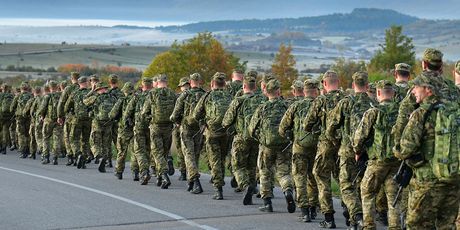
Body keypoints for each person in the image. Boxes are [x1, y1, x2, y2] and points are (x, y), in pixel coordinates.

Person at [396, 73, 460, 229]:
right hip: (453, 181)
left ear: (428, 90)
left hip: (427, 184)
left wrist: (396, 147)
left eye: (417, 87)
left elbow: (404, 150)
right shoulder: (455, 110)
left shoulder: (421, 113)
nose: (413, 91)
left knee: (418, 226)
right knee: (447, 226)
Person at [325, 71, 375, 228]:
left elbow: (331, 126)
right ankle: (356, 221)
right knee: (363, 187)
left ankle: (357, 215)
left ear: (353, 85)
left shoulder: (346, 102)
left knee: (346, 186)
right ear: (367, 86)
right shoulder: (375, 104)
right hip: (368, 153)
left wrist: (335, 141)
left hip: (347, 151)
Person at [353, 80, 401, 229]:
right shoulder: (401, 112)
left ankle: (369, 226)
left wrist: (358, 151)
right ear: (393, 93)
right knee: (394, 199)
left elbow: (358, 137)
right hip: (396, 162)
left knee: (367, 192)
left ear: (378, 93)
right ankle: (395, 227)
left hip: (377, 162)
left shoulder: (373, 112)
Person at [303, 70, 345, 228]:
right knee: (344, 179)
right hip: (344, 145)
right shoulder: (347, 99)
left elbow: (307, 123)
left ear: (324, 84)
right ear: (338, 82)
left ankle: (328, 217)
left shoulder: (320, 100)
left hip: (326, 145)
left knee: (321, 177)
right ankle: (350, 210)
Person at [249, 79, 295, 213]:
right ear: (279, 91)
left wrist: (260, 138)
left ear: (266, 92)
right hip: (284, 145)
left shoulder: (262, 108)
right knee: (283, 172)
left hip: (266, 146)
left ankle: (267, 203)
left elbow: (251, 129)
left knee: (264, 172)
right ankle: (287, 191)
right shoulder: (287, 106)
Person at [279, 79, 320, 222]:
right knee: (313, 178)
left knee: (299, 178)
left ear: (304, 91)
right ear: (316, 91)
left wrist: (290, 134)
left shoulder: (296, 106)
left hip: (299, 147)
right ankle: (314, 208)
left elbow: (282, 127)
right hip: (317, 148)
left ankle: (304, 211)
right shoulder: (322, 105)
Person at [222, 72, 267, 205]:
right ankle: (252, 186)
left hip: (241, 137)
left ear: (244, 86)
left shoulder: (239, 100)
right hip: (257, 138)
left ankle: (245, 185)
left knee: (238, 165)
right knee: (252, 165)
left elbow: (226, 121)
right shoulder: (262, 100)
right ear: (255, 87)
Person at [192, 72, 232, 199]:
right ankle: (220, 179)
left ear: (212, 84)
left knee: (214, 159)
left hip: (212, 133)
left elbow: (196, 114)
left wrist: (203, 121)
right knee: (222, 158)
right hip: (226, 132)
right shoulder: (230, 96)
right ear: (224, 84)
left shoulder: (207, 96)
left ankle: (218, 189)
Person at [170, 73, 207, 194]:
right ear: (200, 81)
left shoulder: (184, 95)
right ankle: (191, 181)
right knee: (195, 154)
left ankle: (195, 180)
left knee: (189, 154)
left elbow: (175, 115)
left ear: (190, 82)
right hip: (199, 129)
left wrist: (177, 122)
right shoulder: (205, 95)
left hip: (186, 128)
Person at [142, 74, 176, 189]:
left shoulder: (152, 93)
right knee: (165, 152)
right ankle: (159, 177)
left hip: (156, 126)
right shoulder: (172, 94)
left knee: (157, 152)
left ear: (157, 82)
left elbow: (144, 112)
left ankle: (164, 175)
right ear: (166, 81)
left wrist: (150, 119)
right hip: (168, 127)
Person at [124, 78, 154, 185]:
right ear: (151, 85)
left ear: (142, 85)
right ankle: (152, 171)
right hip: (152, 127)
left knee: (139, 151)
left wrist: (128, 122)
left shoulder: (137, 97)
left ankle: (144, 171)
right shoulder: (155, 95)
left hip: (139, 127)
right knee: (148, 150)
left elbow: (127, 112)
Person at [83, 82, 117, 173]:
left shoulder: (95, 97)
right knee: (106, 143)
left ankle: (99, 156)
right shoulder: (113, 98)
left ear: (98, 89)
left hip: (97, 122)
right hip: (108, 123)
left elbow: (84, 100)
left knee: (94, 141)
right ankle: (104, 161)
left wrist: (91, 91)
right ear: (105, 89)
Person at [64, 76, 92, 169]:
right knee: (85, 140)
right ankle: (83, 160)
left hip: (77, 119)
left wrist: (67, 113)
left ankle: (78, 154)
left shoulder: (74, 93)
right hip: (88, 119)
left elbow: (67, 106)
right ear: (86, 82)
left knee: (73, 139)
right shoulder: (91, 93)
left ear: (79, 83)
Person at [111, 82, 136, 180]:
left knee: (121, 151)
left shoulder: (122, 100)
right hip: (135, 128)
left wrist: (116, 118)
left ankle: (119, 171)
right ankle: (135, 171)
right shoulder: (137, 99)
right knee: (135, 150)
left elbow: (112, 114)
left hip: (124, 129)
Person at [57, 72, 80, 166]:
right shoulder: (83, 88)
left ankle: (71, 157)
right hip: (83, 116)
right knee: (79, 137)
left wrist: (59, 116)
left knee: (67, 137)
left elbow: (61, 103)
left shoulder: (68, 88)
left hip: (70, 116)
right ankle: (79, 154)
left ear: (71, 78)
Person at [38, 81, 63, 165]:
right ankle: (55, 158)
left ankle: (46, 157)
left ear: (49, 87)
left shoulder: (47, 96)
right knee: (57, 139)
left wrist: (42, 116)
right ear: (57, 87)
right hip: (58, 120)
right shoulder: (61, 95)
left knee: (46, 138)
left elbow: (42, 108)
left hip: (48, 120)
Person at [173, 77, 190, 181]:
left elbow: (175, 112)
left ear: (181, 87)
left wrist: (176, 122)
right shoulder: (198, 95)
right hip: (194, 127)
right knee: (192, 150)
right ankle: (191, 171)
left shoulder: (178, 97)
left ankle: (183, 172)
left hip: (180, 126)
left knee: (180, 149)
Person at [10, 82, 33, 158]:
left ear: (21, 88)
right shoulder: (31, 96)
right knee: (28, 134)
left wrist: (14, 112)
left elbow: (12, 107)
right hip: (28, 117)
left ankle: (23, 151)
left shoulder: (18, 96)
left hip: (19, 117)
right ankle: (29, 150)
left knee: (21, 134)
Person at [0, 84, 14, 154]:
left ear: (2, 88)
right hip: (9, 116)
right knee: (5, 131)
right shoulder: (11, 96)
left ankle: (0, 146)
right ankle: (4, 148)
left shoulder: (0, 95)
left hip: (1, 115)